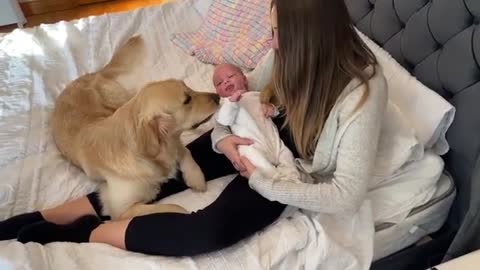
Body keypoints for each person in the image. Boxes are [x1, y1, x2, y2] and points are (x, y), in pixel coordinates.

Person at [0, 0, 387, 258]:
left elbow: (345, 196)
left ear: (308, 41)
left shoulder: (363, 94)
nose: (270, 42)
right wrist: (225, 140)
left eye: (275, 32)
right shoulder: (284, 53)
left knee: (208, 233)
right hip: (260, 132)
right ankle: (43, 216)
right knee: (153, 165)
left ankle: (85, 233)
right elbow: (237, 100)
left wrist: (261, 182)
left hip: (284, 167)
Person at [213, 63, 299, 181]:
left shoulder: (257, 95)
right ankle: (275, 178)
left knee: (286, 155)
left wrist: (271, 109)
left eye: (230, 76)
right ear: (218, 92)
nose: (226, 82)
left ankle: (293, 177)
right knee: (250, 157)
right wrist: (231, 102)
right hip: (251, 144)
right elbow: (224, 121)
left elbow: (276, 112)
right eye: (219, 83)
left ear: (244, 80)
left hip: (273, 142)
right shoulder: (224, 104)